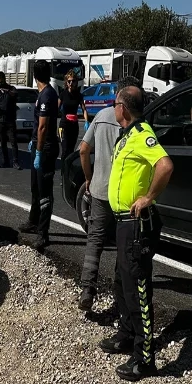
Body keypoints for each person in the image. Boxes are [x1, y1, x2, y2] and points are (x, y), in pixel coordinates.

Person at [99, 86, 174, 381]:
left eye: (114, 103)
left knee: (138, 290)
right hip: (122, 224)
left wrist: (148, 197)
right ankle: (127, 334)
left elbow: (165, 166)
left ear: (123, 108)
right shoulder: (126, 135)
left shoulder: (142, 135)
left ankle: (144, 359)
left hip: (136, 224)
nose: (113, 107)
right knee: (121, 281)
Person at [77, 76, 143, 311]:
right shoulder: (135, 122)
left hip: (100, 190)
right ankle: (120, 295)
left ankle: (87, 288)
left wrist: (89, 177)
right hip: (123, 195)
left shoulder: (102, 117)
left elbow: (84, 150)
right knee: (122, 246)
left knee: (95, 239)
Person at [17, 60, 59, 250]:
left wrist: (39, 151)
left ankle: (43, 233)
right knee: (35, 187)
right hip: (39, 144)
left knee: (44, 193)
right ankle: (33, 222)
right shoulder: (42, 94)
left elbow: (43, 126)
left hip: (46, 148)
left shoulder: (47, 95)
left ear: (34, 76)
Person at [0, 71, 21, 169]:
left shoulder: (11, 89)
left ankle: (15, 162)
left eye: (0, 81)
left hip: (10, 120)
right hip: (0, 120)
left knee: (13, 141)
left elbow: (15, 95)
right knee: (3, 142)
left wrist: (5, 90)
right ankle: (6, 161)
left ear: (3, 79)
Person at [58, 70, 88, 161]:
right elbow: (56, 109)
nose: (71, 83)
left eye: (73, 81)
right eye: (69, 81)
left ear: (76, 82)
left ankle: (68, 172)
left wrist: (87, 121)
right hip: (63, 126)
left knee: (71, 150)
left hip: (74, 126)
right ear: (66, 82)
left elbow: (84, 109)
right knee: (65, 149)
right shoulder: (63, 94)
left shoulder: (78, 95)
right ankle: (63, 172)